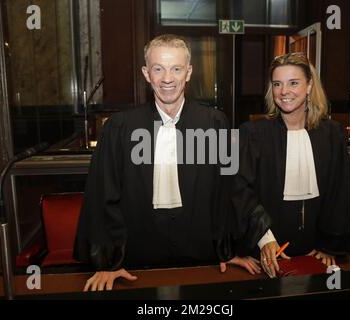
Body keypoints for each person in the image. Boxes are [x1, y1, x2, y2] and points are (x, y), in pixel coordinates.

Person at [74, 34, 259, 291]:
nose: (167, 78)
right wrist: (108, 261)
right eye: (158, 69)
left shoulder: (215, 123)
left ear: (189, 72)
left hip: (200, 256)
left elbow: (228, 191)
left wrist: (228, 249)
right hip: (137, 260)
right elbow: (103, 194)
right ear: (146, 74)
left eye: (176, 69)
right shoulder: (119, 127)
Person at [231, 52, 350, 278]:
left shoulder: (332, 133)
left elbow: (339, 192)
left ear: (309, 86)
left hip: (315, 249)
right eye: (277, 84)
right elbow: (240, 191)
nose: (284, 91)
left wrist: (329, 245)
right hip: (267, 252)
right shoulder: (252, 133)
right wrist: (264, 239)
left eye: (293, 83)